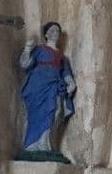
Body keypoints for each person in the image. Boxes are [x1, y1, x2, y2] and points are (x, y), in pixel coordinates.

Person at [17, 21, 77, 162]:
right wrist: (27, 49)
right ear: (46, 34)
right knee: (38, 113)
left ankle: (46, 141)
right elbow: (24, 64)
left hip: (55, 84)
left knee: (56, 111)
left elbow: (66, 74)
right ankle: (33, 144)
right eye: (51, 30)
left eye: (57, 31)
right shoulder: (39, 50)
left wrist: (71, 84)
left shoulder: (62, 57)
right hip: (38, 85)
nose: (54, 33)